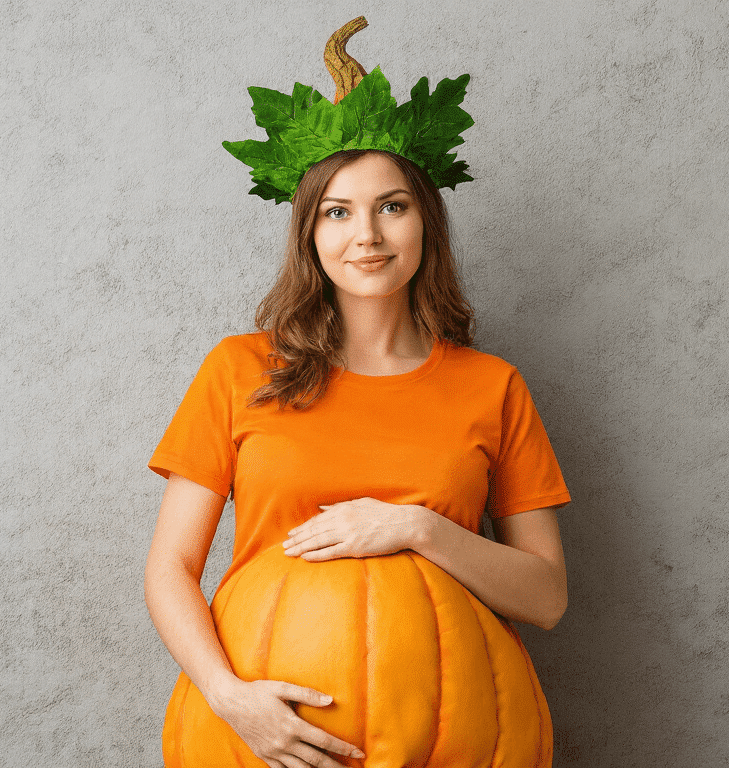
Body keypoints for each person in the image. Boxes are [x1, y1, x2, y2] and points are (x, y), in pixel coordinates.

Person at [144, 20, 572, 768]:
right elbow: (170, 567)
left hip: (458, 739)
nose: (366, 234)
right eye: (338, 212)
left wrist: (416, 527)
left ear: (426, 225)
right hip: (261, 739)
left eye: (392, 206)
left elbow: (545, 596)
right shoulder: (239, 370)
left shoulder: (492, 386)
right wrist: (228, 695)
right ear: (309, 234)